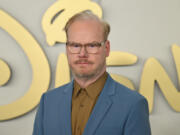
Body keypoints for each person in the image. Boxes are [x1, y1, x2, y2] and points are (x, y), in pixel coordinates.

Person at [33, 11, 151, 135]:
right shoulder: (48, 102)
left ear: (107, 49)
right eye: (75, 45)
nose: (82, 54)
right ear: (67, 49)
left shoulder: (133, 105)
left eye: (92, 45)